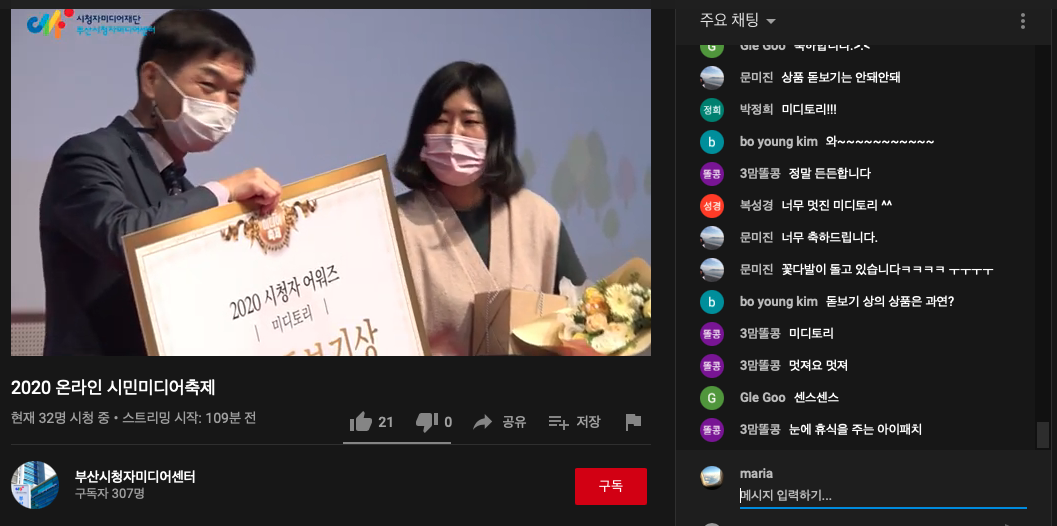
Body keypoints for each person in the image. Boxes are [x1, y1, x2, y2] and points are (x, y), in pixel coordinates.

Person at [38, 9, 282, 356]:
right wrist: (224, 190)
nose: (222, 106)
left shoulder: (184, 191)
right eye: (208, 85)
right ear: (152, 80)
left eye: (234, 94)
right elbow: (126, 238)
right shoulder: (87, 155)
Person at [394, 61, 587, 356]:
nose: (454, 133)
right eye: (441, 120)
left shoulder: (538, 219)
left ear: (496, 134)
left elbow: (586, 322)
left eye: (470, 121)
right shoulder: (393, 224)